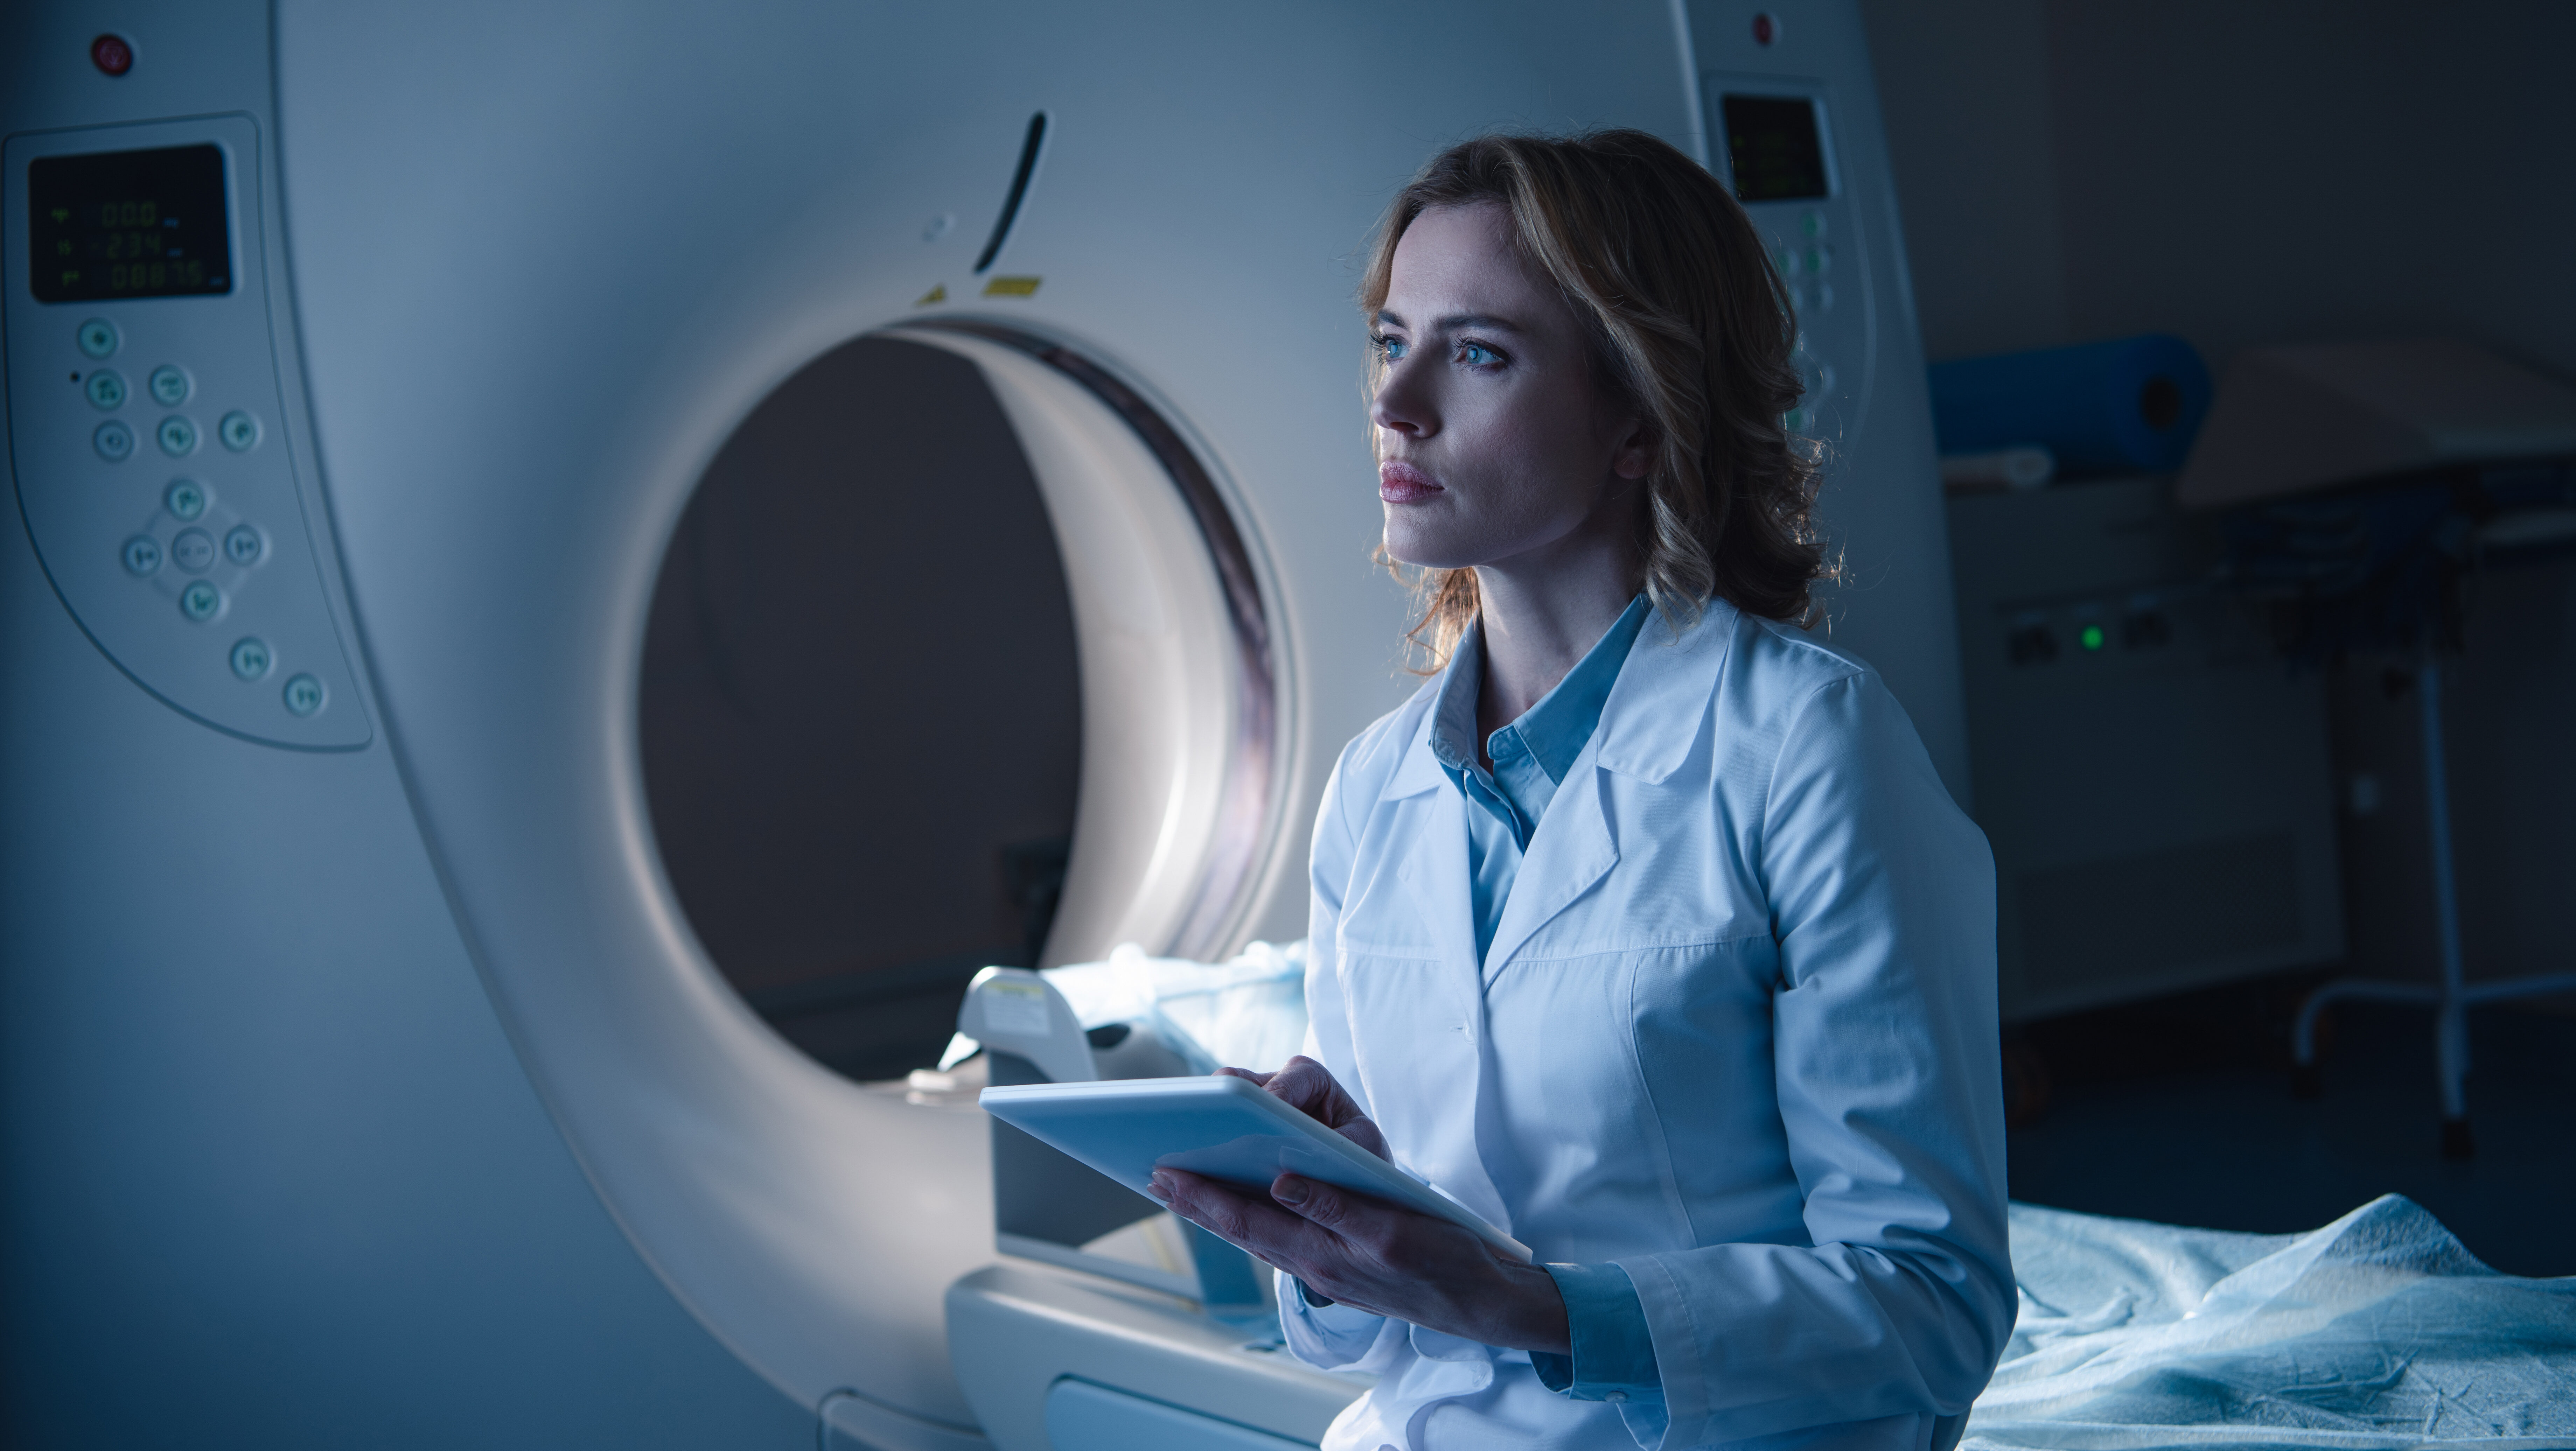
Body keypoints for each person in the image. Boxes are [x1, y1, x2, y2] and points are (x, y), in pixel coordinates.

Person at [1144, 131, 2012, 1451]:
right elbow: (1362, 1342)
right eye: (1392, 342)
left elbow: (1935, 1304)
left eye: (1477, 353)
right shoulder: (1374, 790)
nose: (1398, 403)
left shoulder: (1810, 748)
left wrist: (1545, 1308)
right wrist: (1331, 1224)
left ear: (1637, 417)